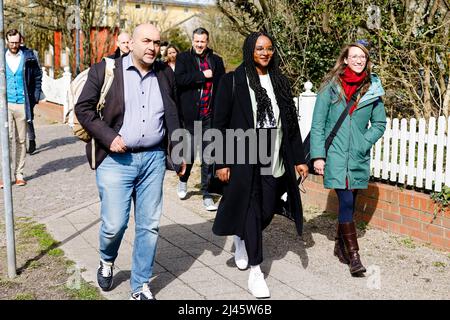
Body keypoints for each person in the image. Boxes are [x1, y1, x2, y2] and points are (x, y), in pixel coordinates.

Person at [75, 23, 185, 300]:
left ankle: (140, 286)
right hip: (115, 160)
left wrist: (180, 152)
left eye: (157, 42)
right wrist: (108, 136)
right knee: (114, 224)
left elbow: (174, 115)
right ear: (131, 43)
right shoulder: (106, 71)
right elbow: (83, 108)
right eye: (146, 41)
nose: (152, 47)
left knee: (148, 225)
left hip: (153, 160)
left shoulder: (164, 74)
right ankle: (107, 259)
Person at [212, 31, 309, 298]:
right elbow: (218, 123)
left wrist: (299, 159)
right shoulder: (233, 81)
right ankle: (256, 271)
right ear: (249, 51)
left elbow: (291, 124)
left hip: (273, 154)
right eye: (258, 49)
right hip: (244, 154)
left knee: (266, 209)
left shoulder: (280, 82)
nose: (264, 53)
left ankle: (241, 237)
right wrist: (221, 161)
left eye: (268, 48)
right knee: (252, 208)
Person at [309, 42, 386, 276]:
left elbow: (380, 124)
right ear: (345, 59)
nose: (358, 60)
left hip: (358, 156)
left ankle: (339, 245)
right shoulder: (330, 87)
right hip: (334, 154)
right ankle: (354, 256)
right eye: (354, 56)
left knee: (350, 200)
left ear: (367, 60)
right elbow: (318, 124)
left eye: (362, 57)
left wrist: (363, 141)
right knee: (346, 201)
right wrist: (318, 156)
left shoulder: (373, 88)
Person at [175, 27, 225, 211]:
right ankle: (183, 180)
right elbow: (179, 80)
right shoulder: (183, 58)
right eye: (196, 41)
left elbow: (222, 87)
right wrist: (201, 76)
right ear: (192, 40)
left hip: (209, 115)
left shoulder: (216, 60)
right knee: (188, 154)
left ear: (207, 41)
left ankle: (207, 193)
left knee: (208, 156)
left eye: (202, 41)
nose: (199, 44)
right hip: (189, 116)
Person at [0, 29, 42, 188]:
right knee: (6, 140)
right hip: (5, 104)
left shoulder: (28, 56)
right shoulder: (1, 56)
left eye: (16, 42)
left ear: (20, 40)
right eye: (11, 42)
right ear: (6, 41)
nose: (14, 45)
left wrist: (35, 97)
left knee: (21, 140)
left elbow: (38, 76)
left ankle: (19, 174)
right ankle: (4, 175)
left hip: (22, 104)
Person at [19, 34, 41, 155]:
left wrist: (36, 94)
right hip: (15, 95)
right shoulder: (7, 55)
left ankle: (31, 140)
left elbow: (38, 73)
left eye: (21, 40)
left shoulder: (32, 54)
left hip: (29, 94)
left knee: (28, 119)